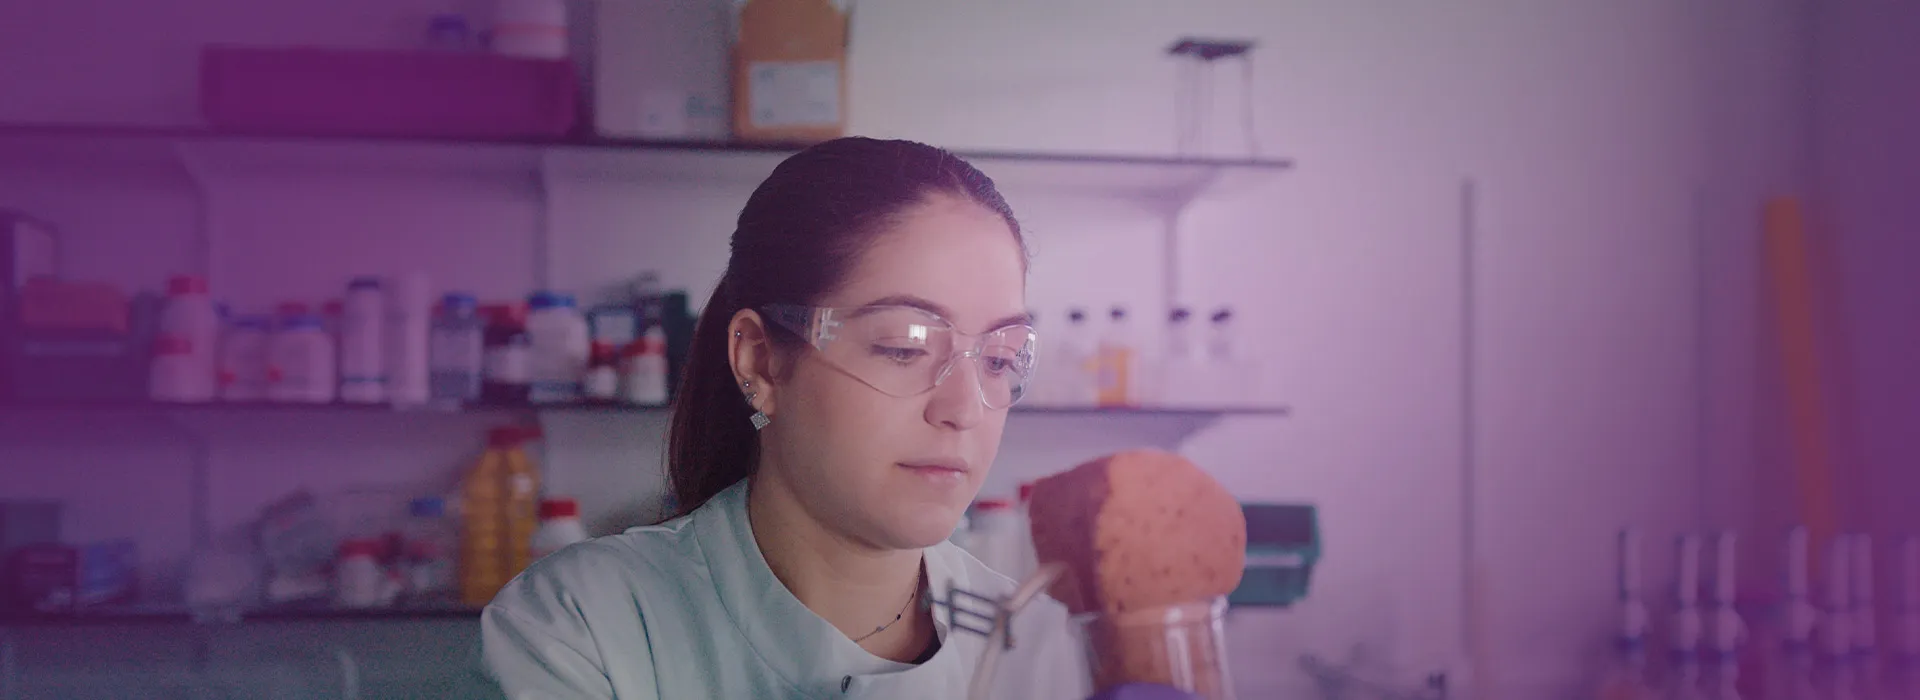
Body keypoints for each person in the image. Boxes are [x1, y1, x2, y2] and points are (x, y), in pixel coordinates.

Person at [481, 137, 1092, 699]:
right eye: (904, 346)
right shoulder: (581, 625)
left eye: (999, 359)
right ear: (764, 362)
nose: (963, 409)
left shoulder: (1043, 647)